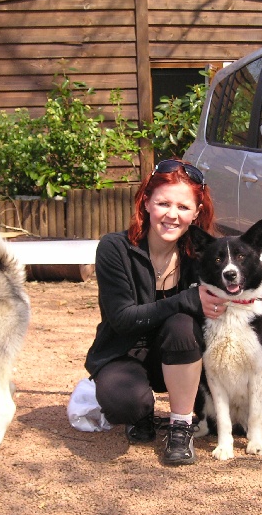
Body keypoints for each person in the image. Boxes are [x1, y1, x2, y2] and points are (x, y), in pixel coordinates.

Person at [85, 158, 226, 466]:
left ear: (197, 213)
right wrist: (187, 299)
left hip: (184, 355)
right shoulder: (114, 248)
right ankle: (142, 413)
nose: (172, 215)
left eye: (183, 207)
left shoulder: (205, 255)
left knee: (181, 324)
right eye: (163, 203)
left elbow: (235, 297)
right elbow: (122, 319)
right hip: (124, 354)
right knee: (124, 404)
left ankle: (180, 427)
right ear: (146, 202)